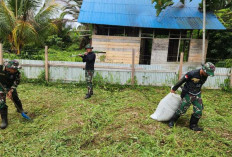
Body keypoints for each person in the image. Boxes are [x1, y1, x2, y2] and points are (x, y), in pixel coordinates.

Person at [168, 62, 216, 131]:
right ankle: (172, 121)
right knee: (181, 109)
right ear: (203, 69)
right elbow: (182, 81)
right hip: (188, 93)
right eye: (207, 73)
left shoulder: (205, 75)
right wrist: (173, 89)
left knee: (199, 110)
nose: (208, 75)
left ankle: (193, 125)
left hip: (197, 94)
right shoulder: (192, 73)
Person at [0, 60, 26, 129]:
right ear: (8, 68)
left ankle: (20, 109)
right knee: (1, 102)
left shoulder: (17, 73)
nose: (15, 70)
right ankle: (4, 120)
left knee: (15, 97)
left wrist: (11, 90)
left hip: (10, 86)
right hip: (1, 87)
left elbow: (16, 82)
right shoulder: (0, 69)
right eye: (14, 69)